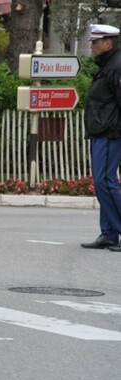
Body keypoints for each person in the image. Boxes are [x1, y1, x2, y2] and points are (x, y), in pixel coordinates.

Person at [81, 23, 121, 252]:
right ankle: (108, 233)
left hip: (110, 133)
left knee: (106, 183)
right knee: (103, 183)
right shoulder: (109, 64)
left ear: (108, 43)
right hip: (101, 133)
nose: (92, 46)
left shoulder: (117, 66)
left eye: (95, 42)